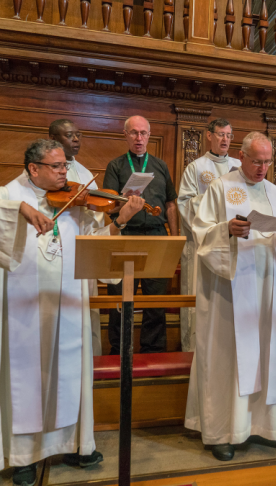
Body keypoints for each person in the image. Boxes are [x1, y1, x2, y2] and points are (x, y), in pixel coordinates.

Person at [0, 139, 144, 486]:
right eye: (57, 166)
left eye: (65, 165)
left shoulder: (77, 200)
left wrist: (120, 220)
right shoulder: (9, 194)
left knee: (70, 372)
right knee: (27, 377)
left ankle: (75, 444)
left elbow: (95, 244)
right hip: (25, 306)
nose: (66, 172)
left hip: (69, 298)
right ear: (33, 168)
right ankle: (23, 457)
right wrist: (21, 209)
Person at [184, 132, 276, 462]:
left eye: (268, 162)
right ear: (241, 156)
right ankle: (221, 431)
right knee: (226, 355)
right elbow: (201, 233)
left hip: (264, 287)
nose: (263, 168)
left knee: (265, 351)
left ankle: (266, 427)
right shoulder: (221, 187)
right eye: (257, 161)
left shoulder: (275, 192)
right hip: (228, 291)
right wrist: (226, 230)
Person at [103, 115, 179, 355]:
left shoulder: (160, 166)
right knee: (120, 298)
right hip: (126, 234)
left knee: (155, 300)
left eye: (143, 133)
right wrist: (125, 204)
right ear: (125, 135)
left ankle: (153, 349)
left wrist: (175, 240)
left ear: (149, 135)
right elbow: (108, 207)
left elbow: (170, 204)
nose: (139, 138)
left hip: (157, 236)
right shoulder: (115, 166)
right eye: (134, 133)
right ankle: (120, 349)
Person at [177, 118, 241, 351]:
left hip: (233, 244)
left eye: (229, 135)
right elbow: (184, 203)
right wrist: (215, 198)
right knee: (199, 298)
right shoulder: (196, 167)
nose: (225, 139)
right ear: (209, 136)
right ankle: (195, 349)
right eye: (221, 134)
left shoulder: (238, 167)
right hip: (203, 244)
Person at [49, 118, 103, 356]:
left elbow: (95, 221)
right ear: (53, 138)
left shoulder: (85, 174)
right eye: (69, 135)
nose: (76, 139)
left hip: (80, 251)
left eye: (78, 135)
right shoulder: (39, 170)